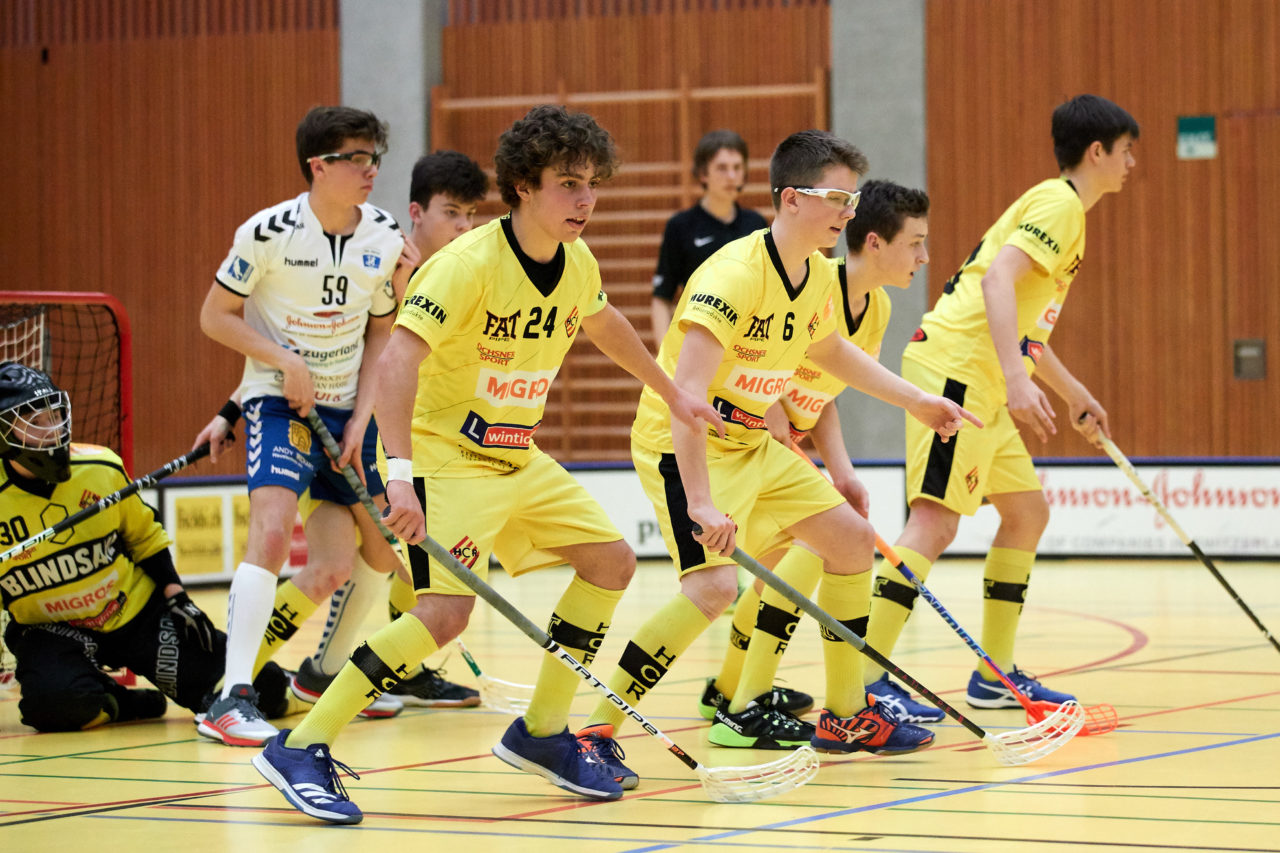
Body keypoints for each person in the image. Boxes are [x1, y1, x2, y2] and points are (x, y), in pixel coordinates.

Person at [251, 104, 722, 824]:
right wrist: (400, 472)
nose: (586, 199)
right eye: (570, 184)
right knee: (443, 614)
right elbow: (400, 362)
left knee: (611, 563)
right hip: (441, 453)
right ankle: (303, 743)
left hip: (514, 452)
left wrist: (675, 393)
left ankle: (541, 730)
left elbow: (606, 325)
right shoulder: (465, 266)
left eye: (593, 184)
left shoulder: (578, 261)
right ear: (524, 186)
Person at [574, 131, 977, 782]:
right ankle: (595, 729)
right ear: (792, 199)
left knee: (849, 543)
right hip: (685, 443)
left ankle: (845, 714)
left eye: (852, 200)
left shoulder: (818, 275)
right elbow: (688, 399)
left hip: (754, 443)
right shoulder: (732, 277)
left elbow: (833, 355)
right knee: (712, 588)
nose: (849, 212)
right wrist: (700, 499)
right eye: (837, 199)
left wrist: (918, 401)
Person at [861, 94, 1139, 717]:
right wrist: (1017, 381)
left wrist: (1074, 396)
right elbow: (995, 282)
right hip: (958, 373)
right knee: (933, 523)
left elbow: (1024, 326)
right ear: (1097, 152)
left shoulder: (1068, 214)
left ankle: (994, 673)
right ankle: (863, 677)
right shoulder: (1060, 206)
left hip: (985, 377)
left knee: (1026, 513)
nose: (1131, 164)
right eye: (1126, 152)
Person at [196, 106, 416, 746]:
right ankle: (229, 697)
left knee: (369, 552)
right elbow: (215, 316)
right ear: (319, 166)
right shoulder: (264, 234)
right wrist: (283, 360)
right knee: (269, 531)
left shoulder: (382, 235)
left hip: (350, 411)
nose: (371, 169)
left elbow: (382, 331)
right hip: (276, 400)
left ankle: (324, 677)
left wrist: (365, 414)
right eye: (357, 158)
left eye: (375, 157)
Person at [699, 180, 934, 727]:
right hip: (740, 443)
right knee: (798, 561)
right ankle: (750, 702)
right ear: (874, 243)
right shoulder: (814, 279)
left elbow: (826, 394)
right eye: (916, 243)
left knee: (779, 572)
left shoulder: (875, 309)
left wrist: (842, 470)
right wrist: (772, 401)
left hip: (789, 451)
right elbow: (751, 349)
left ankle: (730, 690)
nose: (924, 257)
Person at [0, 363, 290, 732]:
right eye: (35, 422)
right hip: (52, 630)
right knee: (54, 707)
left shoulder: (99, 467)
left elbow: (144, 536)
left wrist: (178, 598)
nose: (52, 429)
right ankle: (121, 702)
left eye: (54, 415)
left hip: (133, 615)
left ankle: (309, 684)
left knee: (265, 689)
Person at [650, 129, 768, 339]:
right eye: (722, 168)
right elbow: (662, 298)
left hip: (747, 344)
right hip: (698, 340)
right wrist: (664, 360)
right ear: (704, 173)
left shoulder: (756, 224)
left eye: (737, 167)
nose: (731, 176)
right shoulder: (680, 226)